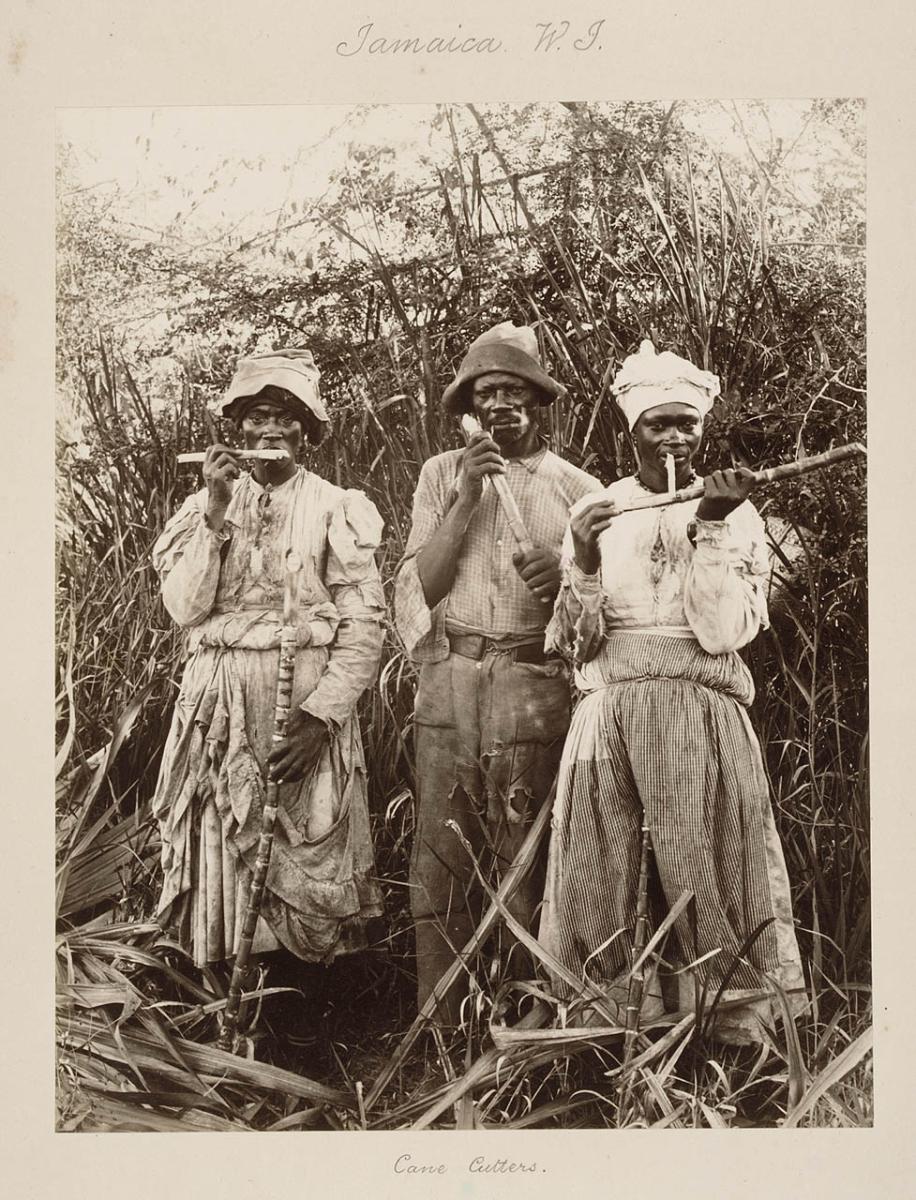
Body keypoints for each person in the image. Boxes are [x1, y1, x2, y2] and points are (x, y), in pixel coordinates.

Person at [540, 340, 806, 1044]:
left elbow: (722, 634)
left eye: (685, 423)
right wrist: (587, 557)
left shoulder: (738, 512)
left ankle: (732, 1033)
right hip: (612, 713)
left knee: (708, 862)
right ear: (630, 431)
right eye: (658, 424)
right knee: (603, 864)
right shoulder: (598, 510)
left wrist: (713, 525)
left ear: (703, 429)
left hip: (700, 708)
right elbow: (574, 645)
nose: (674, 438)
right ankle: (606, 1034)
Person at [151, 349, 385, 987]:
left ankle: (311, 1008)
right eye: (257, 416)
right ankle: (232, 1002)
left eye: (286, 415)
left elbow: (364, 624)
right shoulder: (205, 508)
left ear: (307, 429)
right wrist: (217, 511)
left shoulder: (338, 506)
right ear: (237, 430)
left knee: (307, 841)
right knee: (225, 847)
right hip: (220, 706)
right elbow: (184, 607)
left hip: (305, 705)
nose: (272, 429)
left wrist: (320, 719)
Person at [394, 322, 602, 1025]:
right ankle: (441, 1025)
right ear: (468, 408)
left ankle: (526, 1025)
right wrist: (466, 496)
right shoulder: (438, 475)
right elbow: (420, 587)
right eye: (487, 395)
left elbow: (592, 628)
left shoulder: (580, 491)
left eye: (515, 393)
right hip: (450, 674)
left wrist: (561, 584)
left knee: (527, 849)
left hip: (530, 682)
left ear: (538, 405)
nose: (501, 406)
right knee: (441, 852)